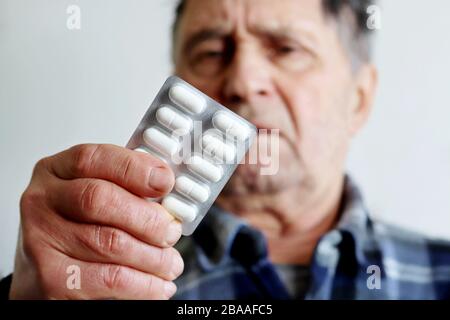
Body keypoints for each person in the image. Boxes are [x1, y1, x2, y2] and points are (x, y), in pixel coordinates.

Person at [1, 0, 449, 300]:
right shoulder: (95, 278)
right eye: (212, 52)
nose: (241, 82)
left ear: (359, 98)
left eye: (285, 49)